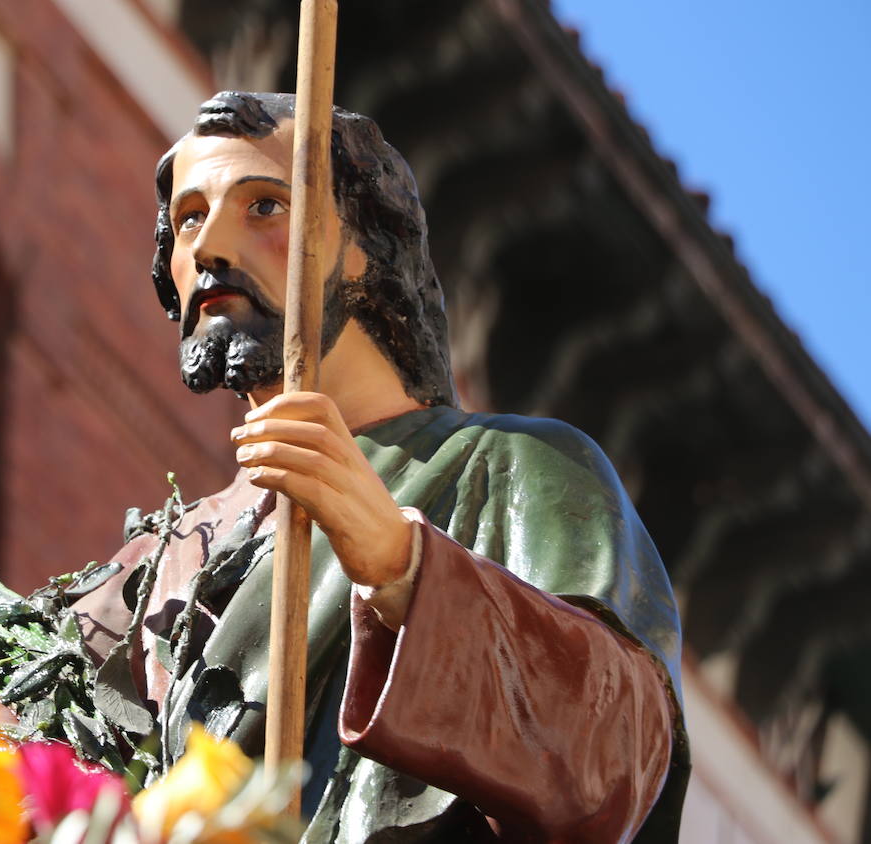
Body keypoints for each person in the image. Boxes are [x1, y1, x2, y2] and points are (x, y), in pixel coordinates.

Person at [54, 92, 686, 842]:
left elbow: (616, 751)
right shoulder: (147, 565)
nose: (210, 246)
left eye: (264, 207)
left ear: (362, 248)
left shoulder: (510, 469)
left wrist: (405, 568)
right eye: (189, 218)